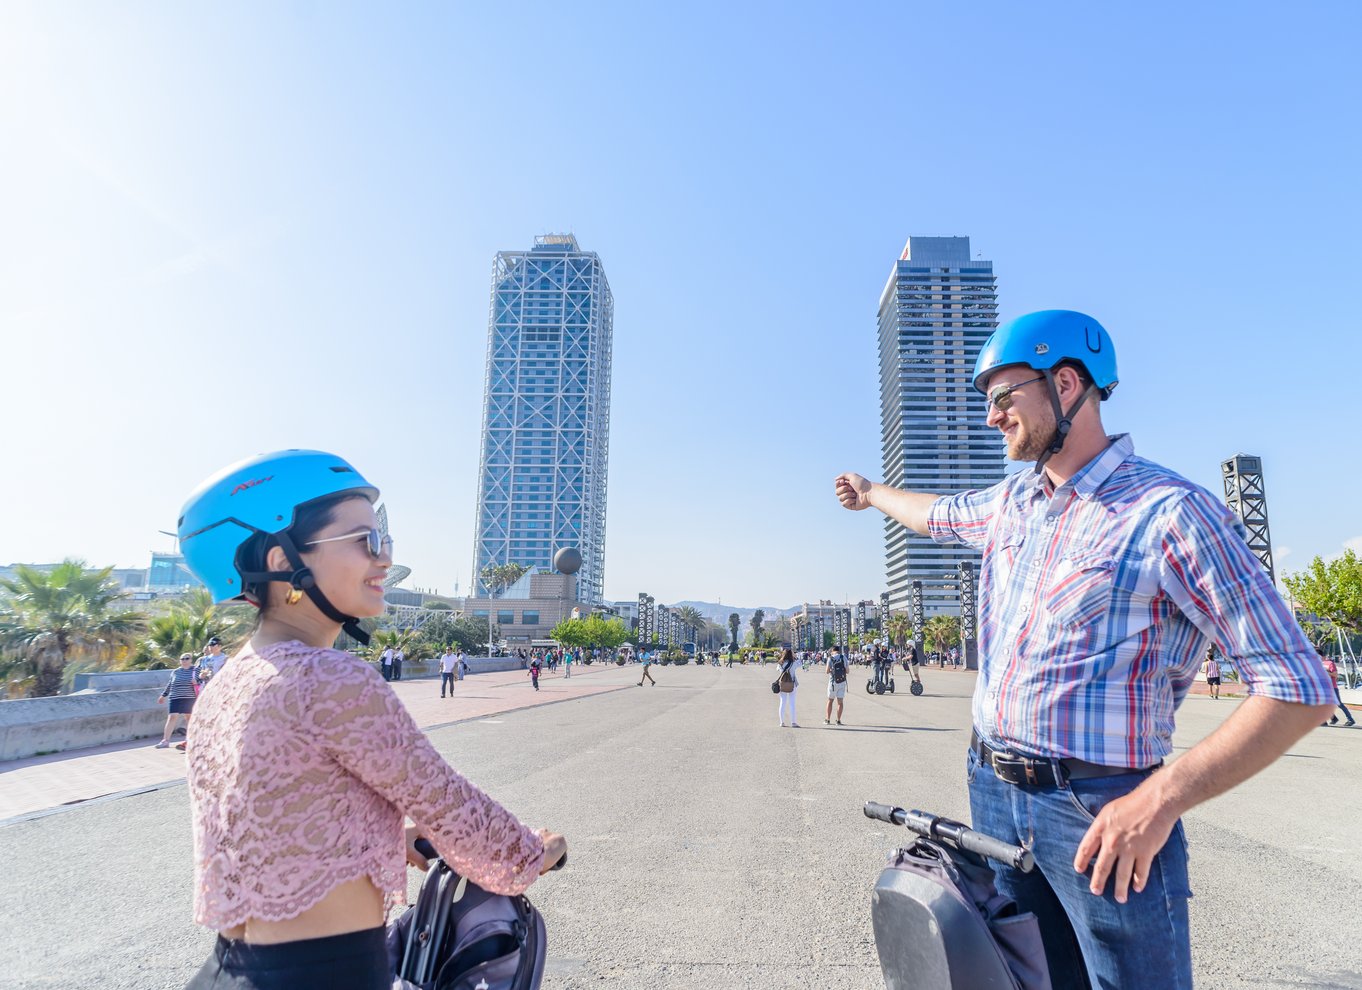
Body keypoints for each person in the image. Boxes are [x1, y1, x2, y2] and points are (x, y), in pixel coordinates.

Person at [835, 310, 1334, 988]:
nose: (991, 418)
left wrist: (1159, 801)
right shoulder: (1012, 504)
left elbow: (1298, 684)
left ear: (1066, 385)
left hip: (1099, 809)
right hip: (993, 792)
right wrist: (870, 493)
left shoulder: (1168, 512)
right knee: (1029, 978)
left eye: (1003, 397)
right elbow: (936, 514)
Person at [176, 449, 565, 989]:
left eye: (383, 542)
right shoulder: (330, 678)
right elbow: (452, 808)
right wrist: (532, 851)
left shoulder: (226, 684)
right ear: (281, 560)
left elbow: (274, 812)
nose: (382, 559)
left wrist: (380, 834)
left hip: (230, 971)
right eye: (365, 541)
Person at [156, 652, 199, 751]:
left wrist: (197, 682)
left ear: (191, 660)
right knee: (172, 717)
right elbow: (170, 684)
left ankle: (190, 740)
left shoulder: (196, 670)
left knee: (189, 718)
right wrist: (163, 695)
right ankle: (165, 740)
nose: (184, 660)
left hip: (189, 697)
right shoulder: (175, 672)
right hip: (175, 697)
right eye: (182, 659)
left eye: (187, 658)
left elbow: (202, 681)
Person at [1321, 653, 1356, 726]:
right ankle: (1325, 721)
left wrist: (1325, 672)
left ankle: (1350, 719)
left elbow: (1335, 674)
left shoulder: (1330, 663)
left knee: (1339, 704)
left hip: (1332, 687)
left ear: (1322, 656)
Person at [776, 648, 799, 728]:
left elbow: (778, 669)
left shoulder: (780, 663)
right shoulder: (794, 663)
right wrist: (795, 656)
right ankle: (793, 722)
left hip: (782, 684)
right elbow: (800, 664)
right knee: (792, 704)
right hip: (792, 684)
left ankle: (781, 722)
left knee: (782, 703)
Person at [825, 647, 848, 725]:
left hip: (833, 682)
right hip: (842, 682)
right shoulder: (843, 657)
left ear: (832, 651)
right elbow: (847, 671)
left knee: (830, 701)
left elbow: (827, 671)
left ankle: (827, 719)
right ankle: (838, 720)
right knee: (840, 702)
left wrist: (832, 670)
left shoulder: (830, 658)